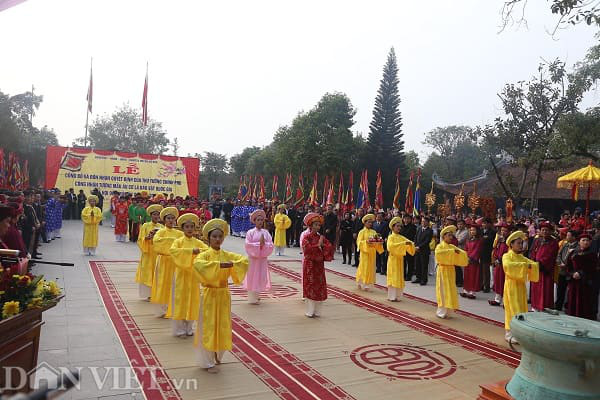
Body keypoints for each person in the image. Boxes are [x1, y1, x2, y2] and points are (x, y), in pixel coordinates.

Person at [192, 218, 248, 373]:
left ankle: (218, 354)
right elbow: (198, 264)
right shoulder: (205, 255)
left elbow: (243, 260)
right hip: (210, 294)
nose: (217, 239)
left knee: (222, 325)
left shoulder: (226, 254)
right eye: (214, 236)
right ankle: (207, 359)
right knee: (208, 326)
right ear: (208, 238)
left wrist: (232, 264)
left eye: (220, 236)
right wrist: (218, 266)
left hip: (223, 294)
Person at [169, 213, 208, 337]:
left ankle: (189, 327)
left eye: (192, 226)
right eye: (187, 227)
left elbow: (207, 250)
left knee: (192, 300)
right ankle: (179, 328)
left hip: (193, 276)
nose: (190, 229)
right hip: (181, 275)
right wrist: (191, 252)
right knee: (180, 300)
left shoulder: (198, 242)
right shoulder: (178, 241)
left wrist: (198, 252)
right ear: (182, 228)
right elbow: (173, 251)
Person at [503, 230, 539, 344]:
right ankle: (510, 333)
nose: (520, 245)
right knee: (513, 309)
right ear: (511, 244)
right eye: (518, 243)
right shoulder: (507, 256)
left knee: (522, 308)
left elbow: (533, 264)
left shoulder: (521, 257)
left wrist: (531, 265)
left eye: (521, 243)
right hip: (511, 286)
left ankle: (519, 332)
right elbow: (508, 266)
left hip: (520, 286)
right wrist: (525, 266)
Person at [151, 207, 183, 318]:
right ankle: (162, 309)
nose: (170, 220)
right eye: (168, 218)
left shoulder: (179, 233)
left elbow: (182, 244)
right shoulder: (160, 232)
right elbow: (157, 242)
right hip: (163, 261)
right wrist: (172, 242)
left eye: (172, 218)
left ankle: (172, 308)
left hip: (175, 261)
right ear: (164, 220)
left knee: (174, 284)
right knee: (162, 283)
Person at [301, 212, 334, 317]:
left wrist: (322, 246)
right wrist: (317, 246)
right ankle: (310, 311)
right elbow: (306, 250)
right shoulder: (306, 237)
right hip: (310, 265)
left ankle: (318, 311)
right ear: (310, 225)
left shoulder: (321, 237)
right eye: (315, 224)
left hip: (319, 265)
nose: (317, 227)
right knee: (310, 286)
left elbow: (329, 246)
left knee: (319, 286)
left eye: (319, 225)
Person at [434, 225, 468, 319]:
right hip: (443, 270)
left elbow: (463, 253)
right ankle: (441, 312)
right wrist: (451, 251)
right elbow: (438, 254)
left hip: (450, 271)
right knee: (443, 291)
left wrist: (460, 253)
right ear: (444, 236)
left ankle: (448, 311)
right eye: (449, 235)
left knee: (450, 291)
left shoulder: (452, 246)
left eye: (451, 236)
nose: (450, 237)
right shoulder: (440, 246)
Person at [565, 233, 599, 320]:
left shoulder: (593, 254)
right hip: (574, 282)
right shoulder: (573, 252)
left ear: (590, 242)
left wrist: (581, 273)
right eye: (583, 240)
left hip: (585, 283)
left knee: (585, 303)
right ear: (579, 242)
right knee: (573, 300)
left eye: (587, 240)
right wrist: (572, 273)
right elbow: (568, 266)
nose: (585, 242)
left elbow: (593, 268)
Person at [243, 209, 274, 304]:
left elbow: (271, 244)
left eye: (261, 220)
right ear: (254, 221)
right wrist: (258, 245)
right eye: (258, 220)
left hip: (262, 259)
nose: (260, 222)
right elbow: (248, 245)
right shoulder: (250, 232)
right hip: (253, 259)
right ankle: (252, 297)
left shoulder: (266, 232)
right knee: (253, 276)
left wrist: (264, 245)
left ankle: (257, 295)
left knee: (260, 275)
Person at [135, 204, 164, 299]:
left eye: (157, 214)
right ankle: (147, 294)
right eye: (154, 214)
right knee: (147, 272)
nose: (156, 216)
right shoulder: (145, 226)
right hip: (148, 253)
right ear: (150, 216)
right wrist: (146, 238)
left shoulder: (162, 227)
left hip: (157, 253)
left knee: (157, 272)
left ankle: (156, 293)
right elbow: (140, 239)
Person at [529, 221, 559, 312]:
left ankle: (544, 308)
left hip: (546, 270)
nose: (545, 232)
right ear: (540, 231)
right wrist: (533, 261)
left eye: (547, 230)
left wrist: (540, 264)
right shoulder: (537, 240)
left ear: (550, 231)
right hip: (536, 268)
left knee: (545, 289)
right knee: (535, 288)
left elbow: (551, 256)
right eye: (543, 230)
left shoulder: (553, 242)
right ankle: (534, 307)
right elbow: (532, 251)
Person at [386, 216, 415, 301]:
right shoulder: (391, 237)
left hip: (400, 260)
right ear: (393, 227)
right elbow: (390, 247)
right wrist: (404, 244)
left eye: (400, 226)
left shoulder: (401, 237)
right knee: (393, 277)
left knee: (399, 277)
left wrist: (412, 246)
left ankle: (398, 296)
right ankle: (392, 296)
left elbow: (409, 242)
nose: (399, 228)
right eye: (397, 226)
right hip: (393, 259)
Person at [355, 213, 384, 291]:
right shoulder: (362, 232)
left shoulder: (374, 232)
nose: (370, 224)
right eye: (368, 222)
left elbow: (377, 240)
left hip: (372, 253)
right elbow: (359, 242)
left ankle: (368, 284)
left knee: (371, 268)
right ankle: (361, 282)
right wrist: (366, 242)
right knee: (364, 267)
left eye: (371, 222)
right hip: (364, 253)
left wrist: (379, 242)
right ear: (365, 223)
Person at [555, 230, 577, 311]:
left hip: (570, 272)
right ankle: (558, 306)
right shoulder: (565, 244)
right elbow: (559, 254)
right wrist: (560, 262)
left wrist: (566, 265)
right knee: (560, 289)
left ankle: (569, 307)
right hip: (562, 270)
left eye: (568, 235)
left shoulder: (577, 246)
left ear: (574, 237)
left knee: (570, 291)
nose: (567, 237)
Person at [489, 223, 510, 306]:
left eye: (505, 231)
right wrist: (495, 259)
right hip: (498, 264)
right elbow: (496, 250)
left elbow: (508, 253)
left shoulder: (510, 242)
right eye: (502, 230)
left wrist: (500, 260)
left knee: (504, 283)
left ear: (509, 232)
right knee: (497, 281)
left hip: (505, 265)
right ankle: (497, 299)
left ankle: (506, 301)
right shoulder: (500, 240)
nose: (503, 232)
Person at [462, 224, 483, 299]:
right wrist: (466, 256)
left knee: (473, 276)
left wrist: (470, 258)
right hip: (467, 260)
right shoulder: (468, 239)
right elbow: (466, 249)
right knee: (466, 275)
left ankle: (472, 292)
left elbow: (477, 250)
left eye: (474, 230)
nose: (472, 231)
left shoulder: (479, 240)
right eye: (471, 230)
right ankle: (466, 291)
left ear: (477, 231)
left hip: (473, 260)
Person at [413, 216, 433, 285]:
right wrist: (415, 245)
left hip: (424, 250)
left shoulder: (430, 230)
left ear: (428, 222)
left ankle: (424, 280)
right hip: (417, 250)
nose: (423, 222)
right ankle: (418, 278)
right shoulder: (419, 228)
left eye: (424, 221)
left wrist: (419, 247)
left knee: (424, 265)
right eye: (422, 221)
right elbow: (415, 237)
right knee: (417, 264)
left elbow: (427, 241)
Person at [480, 218, 496, 292]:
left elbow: (489, 240)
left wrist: (484, 239)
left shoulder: (492, 232)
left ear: (489, 224)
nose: (484, 225)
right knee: (481, 270)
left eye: (485, 223)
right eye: (483, 223)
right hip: (481, 252)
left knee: (486, 270)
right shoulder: (480, 231)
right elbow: (481, 240)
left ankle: (487, 286)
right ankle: (481, 284)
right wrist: (484, 238)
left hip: (488, 253)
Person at [400, 214, 417, 280]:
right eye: (405, 219)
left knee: (410, 261)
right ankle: (403, 274)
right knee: (403, 261)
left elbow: (414, 237)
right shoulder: (401, 227)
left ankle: (409, 275)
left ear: (410, 219)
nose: (406, 220)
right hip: (403, 246)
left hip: (409, 246)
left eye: (408, 219)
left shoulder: (413, 227)